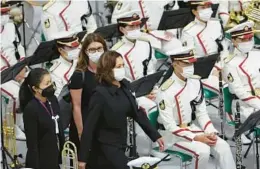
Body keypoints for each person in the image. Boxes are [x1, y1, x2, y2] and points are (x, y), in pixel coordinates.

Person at [78, 51, 164, 169]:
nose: (122, 69)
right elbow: (89, 127)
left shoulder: (125, 86)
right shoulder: (100, 94)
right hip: (105, 146)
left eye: (123, 65)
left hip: (121, 142)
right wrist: (83, 158)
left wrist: (155, 135)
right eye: (118, 66)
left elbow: (137, 113)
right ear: (108, 69)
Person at [156, 46, 236, 169]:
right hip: (171, 136)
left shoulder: (195, 82)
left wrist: (210, 132)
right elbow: (169, 126)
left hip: (191, 128)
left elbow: (201, 112)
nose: (190, 67)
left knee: (223, 145)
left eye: (192, 63)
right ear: (175, 64)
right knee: (202, 151)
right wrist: (196, 137)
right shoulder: (165, 91)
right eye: (186, 64)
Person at [112, 12, 171, 159]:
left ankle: (166, 142)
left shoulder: (146, 44)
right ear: (122, 29)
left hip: (147, 88)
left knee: (167, 99)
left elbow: (151, 70)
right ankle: (148, 149)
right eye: (131, 26)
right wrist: (141, 93)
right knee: (148, 108)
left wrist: (154, 88)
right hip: (128, 92)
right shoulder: (115, 51)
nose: (136, 28)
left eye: (138, 25)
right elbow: (118, 80)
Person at [69, 33, 108, 152]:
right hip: (86, 124)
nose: (96, 52)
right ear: (86, 51)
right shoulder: (79, 75)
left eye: (99, 48)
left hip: (105, 126)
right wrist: (82, 133)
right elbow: (76, 106)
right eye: (92, 49)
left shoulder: (109, 72)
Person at [19, 68, 65, 169]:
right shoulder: (31, 109)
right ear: (35, 88)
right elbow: (32, 144)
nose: (51, 85)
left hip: (55, 156)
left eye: (51, 81)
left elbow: (59, 125)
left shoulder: (53, 99)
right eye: (47, 83)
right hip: (41, 160)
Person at [223, 21, 260, 136]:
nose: (248, 42)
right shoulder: (230, 63)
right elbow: (240, 92)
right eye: (243, 40)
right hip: (243, 105)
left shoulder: (257, 54)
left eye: (250, 38)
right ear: (234, 41)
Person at [1, 66, 29, 141]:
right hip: (2, 74)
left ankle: (20, 122)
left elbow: (22, 59)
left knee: (32, 84)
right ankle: (11, 128)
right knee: (16, 96)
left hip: (11, 71)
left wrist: (23, 69)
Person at [0, 2, 26, 71]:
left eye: (6, 12)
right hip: (4, 73)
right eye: (2, 13)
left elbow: (19, 45)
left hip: (19, 65)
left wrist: (23, 64)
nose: (5, 16)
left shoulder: (10, 26)